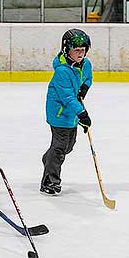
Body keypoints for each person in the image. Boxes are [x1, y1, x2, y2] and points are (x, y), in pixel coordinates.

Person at [40, 28, 93, 196]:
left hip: (71, 115)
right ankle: (50, 181)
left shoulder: (85, 64)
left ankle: (48, 160)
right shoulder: (62, 71)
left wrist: (84, 88)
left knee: (68, 146)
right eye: (76, 50)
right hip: (59, 113)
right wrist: (82, 114)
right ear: (66, 49)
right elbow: (68, 97)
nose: (80, 53)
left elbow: (88, 77)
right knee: (60, 148)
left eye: (83, 50)